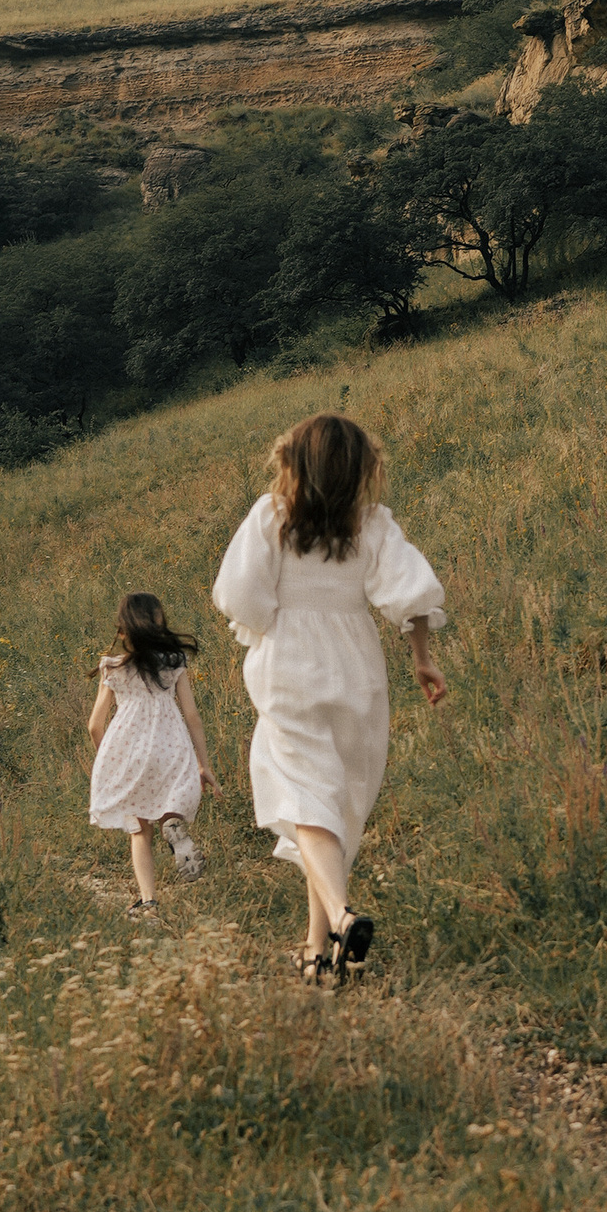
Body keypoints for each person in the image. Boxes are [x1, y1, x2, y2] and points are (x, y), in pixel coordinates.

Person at [211, 412, 446, 983]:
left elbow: (240, 595)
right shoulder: (371, 525)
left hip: (289, 666)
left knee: (306, 799)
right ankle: (317, 952)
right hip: (355, 667)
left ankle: (340, 918)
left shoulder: (273, 516)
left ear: (295, 462)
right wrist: (422, 659)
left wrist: (268, 622)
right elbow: (411, 593)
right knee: (332, 804)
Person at [85, 592, 215, 917]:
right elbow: (192, 716)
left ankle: (149, 903)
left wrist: (108, 761)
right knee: (170, 800)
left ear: (123, 630)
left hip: (129, 753)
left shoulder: (112, 667)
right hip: (170, 745)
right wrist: (204, 764)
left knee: (139, 830)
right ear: (159, 624)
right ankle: (172, 823)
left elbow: (94, 725)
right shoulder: (173, 662)